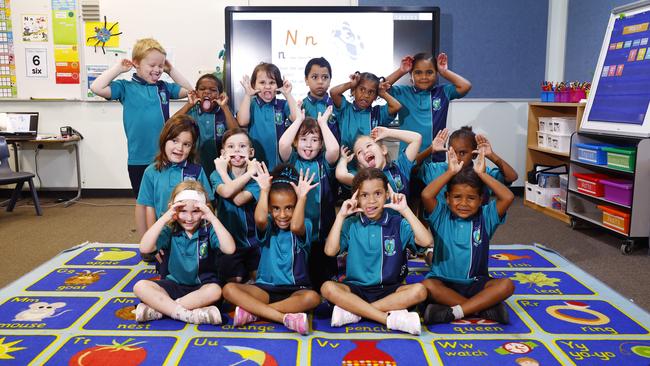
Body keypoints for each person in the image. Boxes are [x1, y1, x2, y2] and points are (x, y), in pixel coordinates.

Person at [90, 38, 192, 237]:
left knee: (165, 202)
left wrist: (171, 71)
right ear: (136, 63)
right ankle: (148, 240)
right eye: (152, 65)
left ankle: (167, 239)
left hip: (165, 157)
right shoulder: (125, 88)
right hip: (138, 158)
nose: (157, 69)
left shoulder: (163, 87)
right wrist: (118, 69)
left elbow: (190, 91)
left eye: (161, 65)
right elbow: (96, 87)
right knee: (145, 204)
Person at [320, 168, 433, 335]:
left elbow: (427, 240)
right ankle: (388, 319)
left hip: (390, 290)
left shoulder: (397, 223)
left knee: (420, 291)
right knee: (327, 288)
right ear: (356, 198)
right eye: (364, 195)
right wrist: (341, 216)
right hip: (356, 290)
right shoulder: (351, 223)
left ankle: (355, 312)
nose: (371, 201)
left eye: (378, 194)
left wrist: (405, 210)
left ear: (387, 194)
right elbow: (330, 251)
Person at [222, 164, 321, 335]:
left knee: (313, 298)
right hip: (265, 289)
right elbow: (260, 219)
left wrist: (303, 197)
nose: (282, 215)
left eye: (289, 207)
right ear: (269, 208)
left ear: (296, 206)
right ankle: (282, 317)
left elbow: (296, 226)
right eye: (276, 208)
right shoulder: (267, 225)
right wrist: (264, 190)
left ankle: (255, 313)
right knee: (228, 289)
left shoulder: (306, 225)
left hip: (296, 291)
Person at [419, 148, 515, 325]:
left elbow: (508, 197)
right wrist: (450, 172)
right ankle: (481, 309)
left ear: (481, 200)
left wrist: (482, 174)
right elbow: (426, 194)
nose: (463, 203)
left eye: (471, 198)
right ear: (447, 198)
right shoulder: (441, 215)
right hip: (444, 283)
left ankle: (454, 311)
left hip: (477, 283)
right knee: (427, 286)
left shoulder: (486, 217)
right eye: (457, 197)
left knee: (507, 285)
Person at [133, 181, 235, 325]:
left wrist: (212, 217)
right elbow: (144, 248)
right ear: (174, 210)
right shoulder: (171, 229)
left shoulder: (209, 229)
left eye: (195, 211)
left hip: (202, 287)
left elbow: (230, 248)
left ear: (205, 210)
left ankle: (162, 310)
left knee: (215, 291)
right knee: (140, 286)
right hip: (174, 284)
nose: (189, 218)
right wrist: (166, 217)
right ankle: (189, 314)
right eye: (183, 211)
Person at [136, 115, 214, 267]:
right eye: (174, 141)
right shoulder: (151, 172)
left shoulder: (197, 171)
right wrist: (154, 241)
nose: (179, 148)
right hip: (166, 237)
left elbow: (208, 204)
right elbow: (148, 208)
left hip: (194, 236)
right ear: (164, 139)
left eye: (186, 144)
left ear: (192, 148)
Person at [278, 106, 339, 290]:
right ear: (296, 142)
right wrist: (298, 120)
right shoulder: (292, 161)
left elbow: (334, 149)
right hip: (298, 231)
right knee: (301, 277)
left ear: (321, 144)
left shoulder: (324, 163)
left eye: (314, 140)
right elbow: (282, 144)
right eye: (303, 139)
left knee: (324, 278)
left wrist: (323, 124)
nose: (309, 145)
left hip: (322, 231)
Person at [385, 52, 471, 163]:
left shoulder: (443, 92)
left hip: (436, 159)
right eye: (418, 73)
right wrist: (401, 70)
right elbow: (380, 88)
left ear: (436, 73)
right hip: (408, 159)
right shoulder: (402, 92)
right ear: (411, 75)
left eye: (429, 72)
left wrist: (444, 72)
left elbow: (466, 86)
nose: (424, 77)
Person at [210, 128, 261, 284]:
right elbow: (226, 192)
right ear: (223, 153)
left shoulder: (257, 176)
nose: (237, 150)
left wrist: (249, 173)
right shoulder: (216, 174)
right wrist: (222, 171)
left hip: (254, 241)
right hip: (229, 242)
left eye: (242, 146)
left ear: (251, 152)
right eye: (231, 147)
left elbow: (239, 199)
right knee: (235, 280)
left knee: (260, 279)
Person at [418, 126, 518, 201]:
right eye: (452, 151)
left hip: (476, 225)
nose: (456, 157)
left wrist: (491, 155)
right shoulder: (437, 169)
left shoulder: (482, 172)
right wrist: (430, 149)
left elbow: (511, 177)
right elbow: (409, 166)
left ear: (474, 155)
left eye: (462, 153)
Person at [173, 74, 238, 177]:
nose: (207, 92)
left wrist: (225, 107)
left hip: (220, 163)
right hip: (194, 162)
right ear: (196, 93)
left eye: (213, 90)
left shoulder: (224, 111)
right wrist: (188, 105)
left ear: (220, 94)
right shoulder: (192, 110)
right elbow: (170, 125)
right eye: (202, 89)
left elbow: (236, 133)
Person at [237, 62, 299, 170]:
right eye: (262, 82)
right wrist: (247, 95)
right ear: (253, 85)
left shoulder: (282, 105)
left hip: (280, 164)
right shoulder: (251, 104)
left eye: (272, 82)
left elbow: (297, 118)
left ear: (278, 85)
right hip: (256, 164)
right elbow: (242, 121)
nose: (267, 86)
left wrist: (288, 94)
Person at [336, 127, 421, 199]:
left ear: (383, 150)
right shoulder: (362, 179)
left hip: (400, 218)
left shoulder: (400, 167)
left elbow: (416, 139)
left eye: (369, 145)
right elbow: (340, 175)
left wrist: (388, 132)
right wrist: (343, 160)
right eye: (359, 152)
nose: (365, 151)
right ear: (361, 165)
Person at [330, 71, 401, 150]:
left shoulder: (377, 113)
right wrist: (350, 84)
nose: (366, 95)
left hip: (369, 160)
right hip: (346, 160)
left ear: (375, 97)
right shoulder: (345, 109)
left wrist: (382, 93)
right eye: (362, 89)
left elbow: (396, 106)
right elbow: (333, 92)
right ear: (353, 91)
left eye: (371, 92)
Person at [302, 57, 339, 141]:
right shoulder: (302, 106)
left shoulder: (336, 105)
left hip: (333, 153)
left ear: (330, 81)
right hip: (308, 152)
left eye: (325, 77)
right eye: (315, 77)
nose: (320, 82)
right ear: (306, 80)